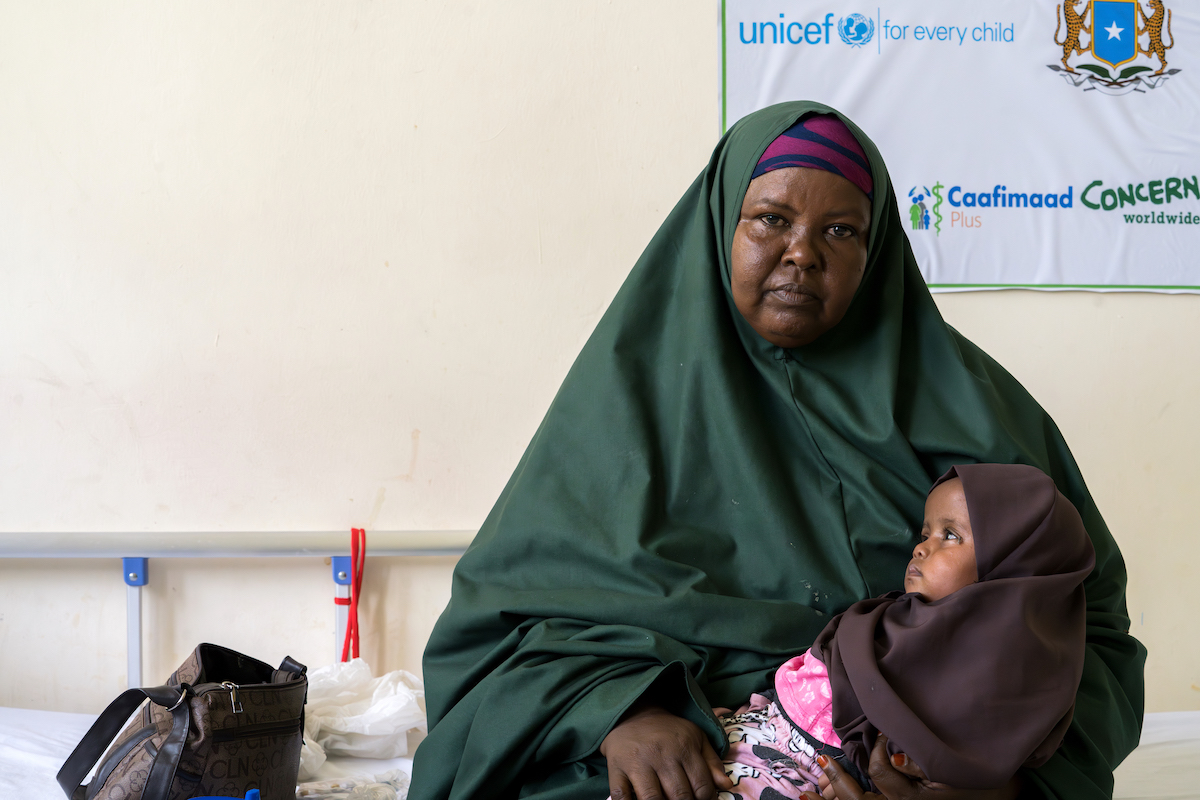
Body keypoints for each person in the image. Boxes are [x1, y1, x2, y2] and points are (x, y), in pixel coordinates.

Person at [409, 102, 1146, 800]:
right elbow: (499, 637)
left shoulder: (978, 412)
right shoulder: (627, 402)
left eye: (841, 232)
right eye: (770, 220)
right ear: (721, 225)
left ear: (878, 247)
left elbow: (1090, 634)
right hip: (683, 754)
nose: (802, 255)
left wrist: (989, 778)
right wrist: (618, 715)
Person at [714, 463, 1094, 800]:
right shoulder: (892, 612)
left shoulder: (1008, 672)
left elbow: (946, 755)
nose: (921, 549)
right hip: (758, 726)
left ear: (1015, 567)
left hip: (804, 775)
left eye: (950, 536)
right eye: (925, 533)